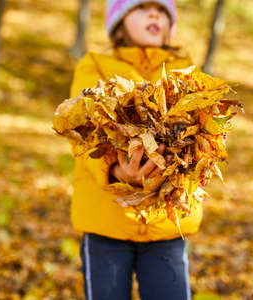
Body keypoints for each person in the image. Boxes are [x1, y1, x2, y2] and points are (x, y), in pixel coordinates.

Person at [67, 1, 204, 299]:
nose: (154, 14)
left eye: (161, 9)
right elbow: (84, 134)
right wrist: (116, 171)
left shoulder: (186, 72)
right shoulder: (95, 67)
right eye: (142, 7)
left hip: (166, 226)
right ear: (118, 22)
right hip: (107, 222)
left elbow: (202, 135)